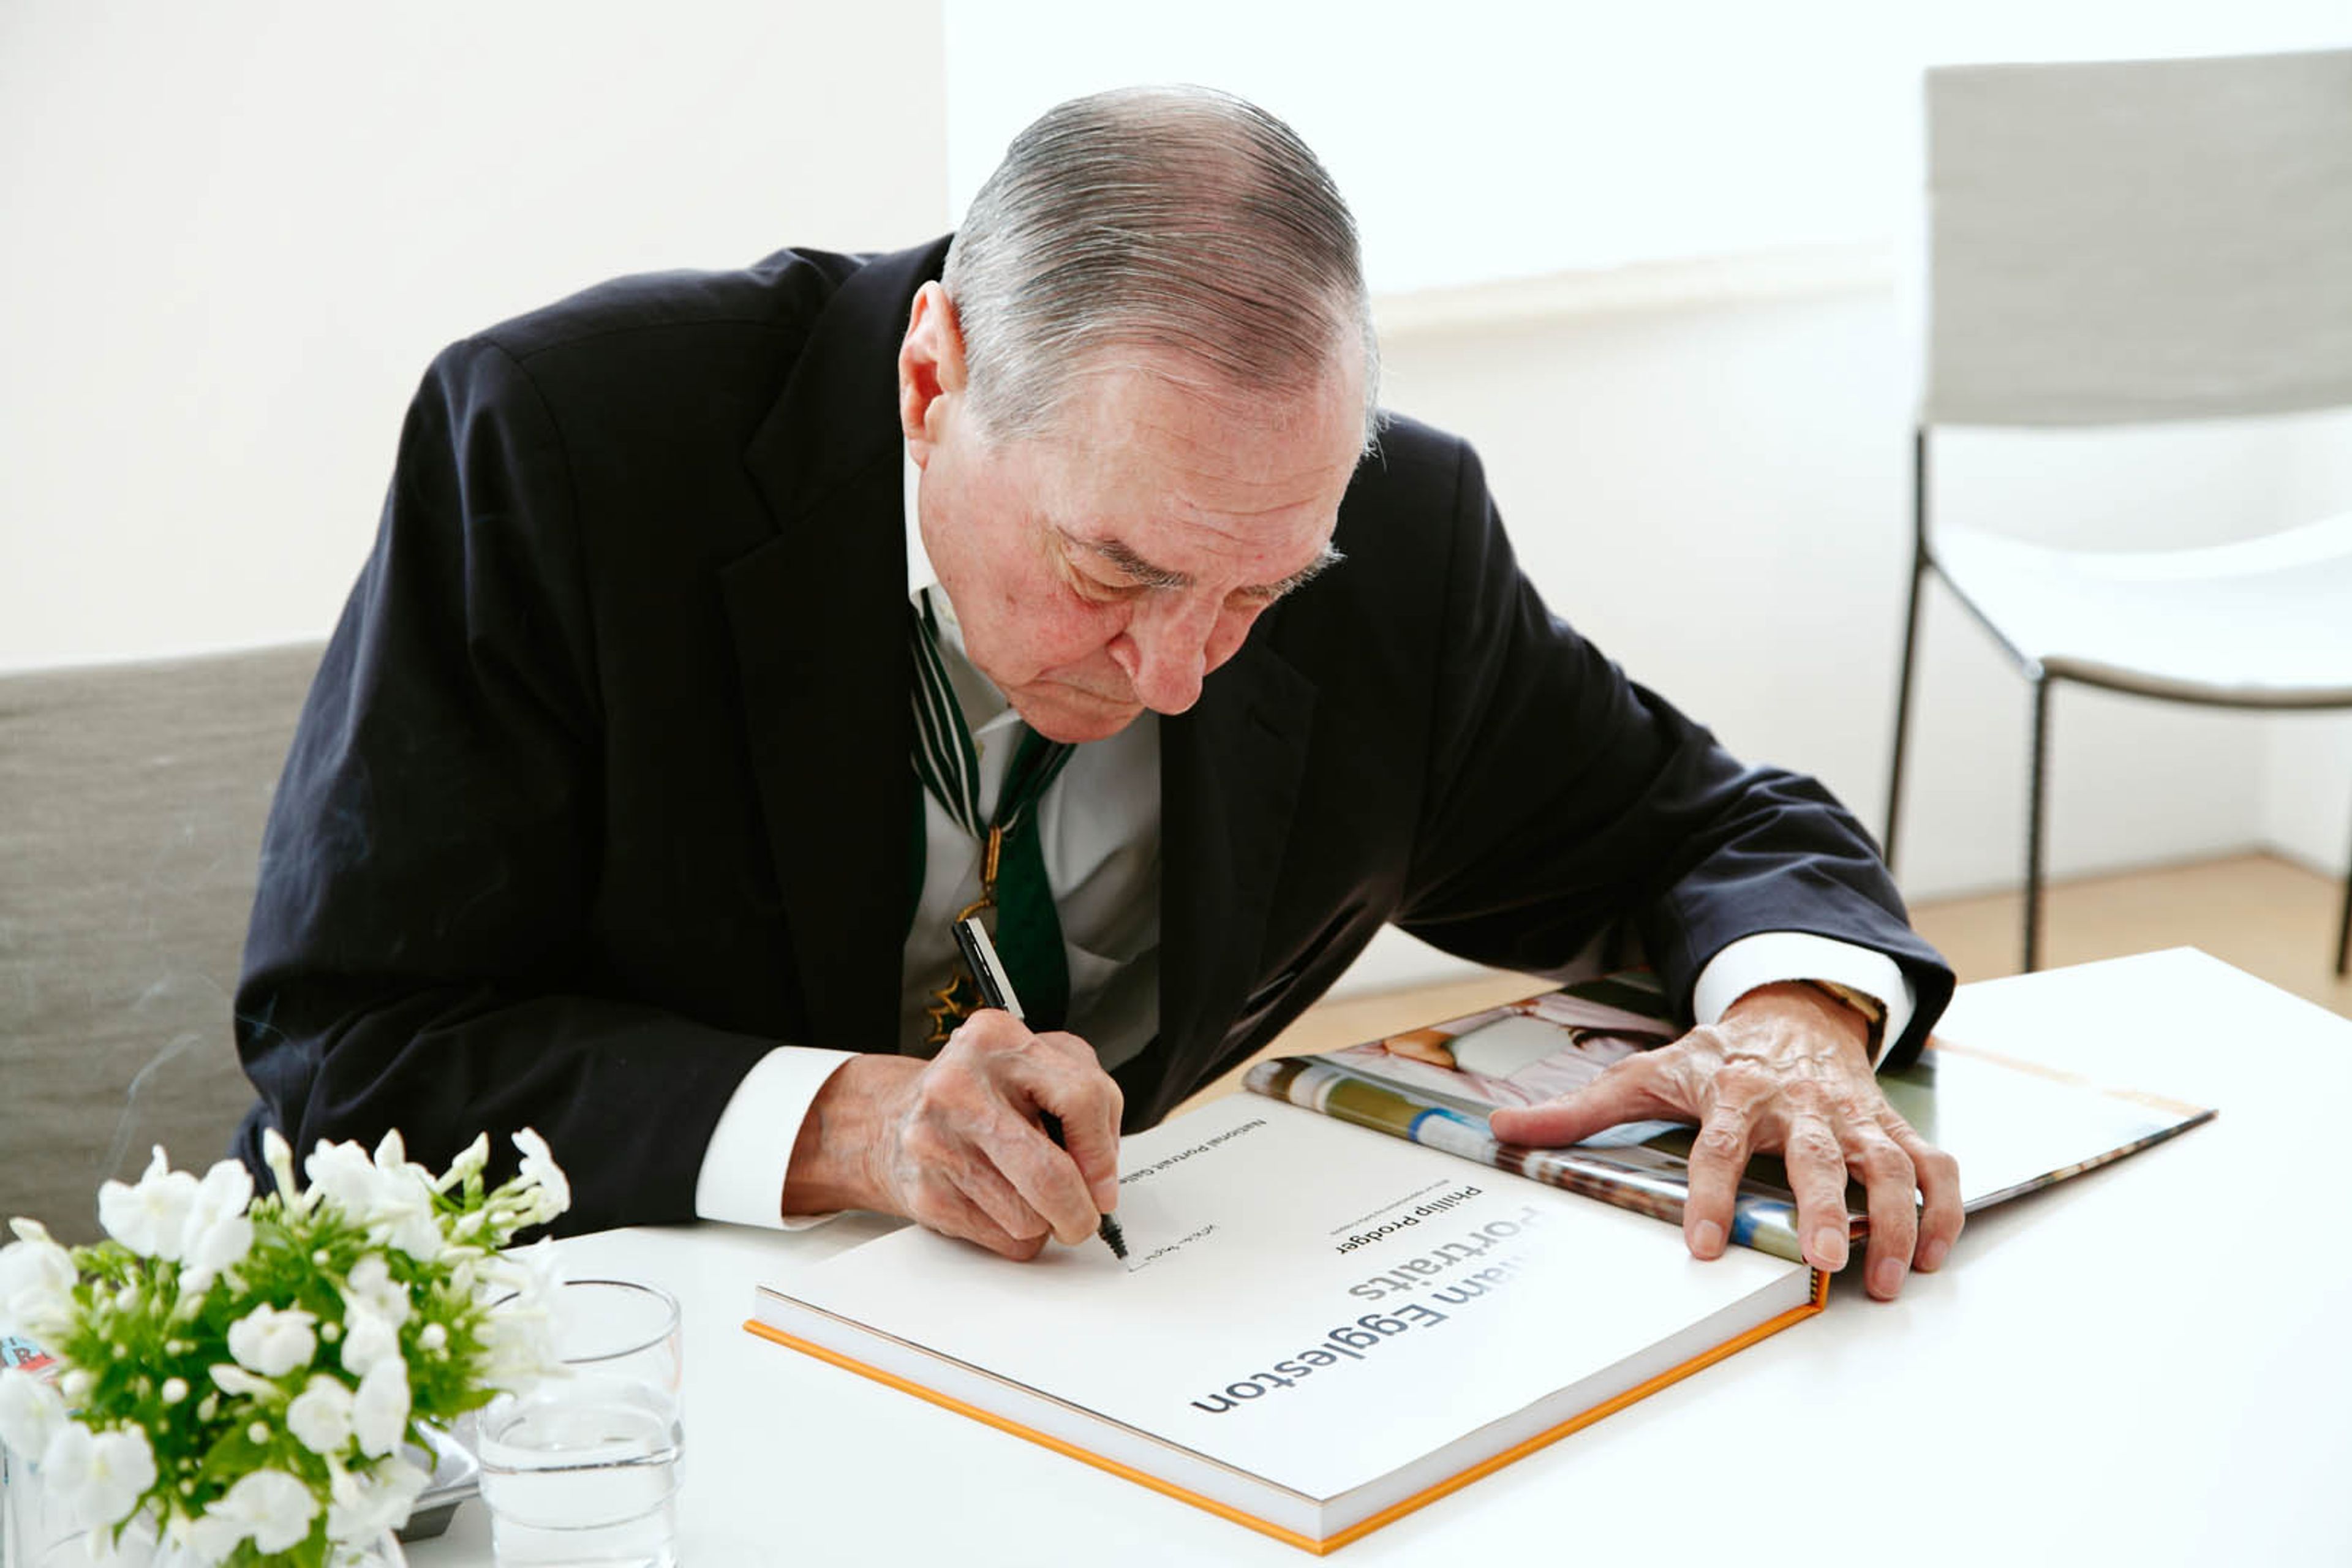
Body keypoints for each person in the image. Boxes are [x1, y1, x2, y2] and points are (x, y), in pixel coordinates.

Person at [235, 86, 1961, 1302]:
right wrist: (854, 1126)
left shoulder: (1399, 540)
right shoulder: (571, 444)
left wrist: (1790, 1032)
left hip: (1099, 1359)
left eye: (1258, 596)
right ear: (934, 376)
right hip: (608, 1336)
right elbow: (359, 1038)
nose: (1175, 674)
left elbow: (1718, 829)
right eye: (1113, 574)